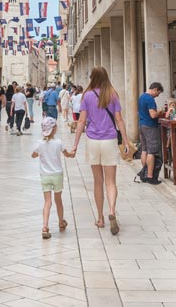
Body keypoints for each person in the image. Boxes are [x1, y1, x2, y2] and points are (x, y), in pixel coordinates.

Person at [70, 67, 132, 235]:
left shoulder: (87, 96)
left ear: (92, 78)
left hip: (92, 141)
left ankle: (100, 217)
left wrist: (75, 144)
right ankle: (112, 211)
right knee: (111, 182)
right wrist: (126, 142)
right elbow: (119, 119)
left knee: (98, 181)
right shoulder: (112, 94)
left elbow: (81, 122)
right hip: (109, 140)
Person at [32, 118, 74, 239]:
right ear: (54, 129)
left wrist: (38, 153)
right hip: (57, 175)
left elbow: (33, 155)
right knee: (58, 200)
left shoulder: (39, 144)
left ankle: (45, 226)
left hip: (45, 176)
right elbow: (67, 154)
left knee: (47, 202)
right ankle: (61, 221)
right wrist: (72, 153)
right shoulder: (58, 142)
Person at [138, 83, 164, 185]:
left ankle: (144, 174)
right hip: (150, 126)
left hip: (142, 124)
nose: (157, 95)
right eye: (158, 93)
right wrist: (160, 112)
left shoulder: (141, 97)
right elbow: (153, 115)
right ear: (155, 89)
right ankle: (150, 176)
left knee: (144, 150)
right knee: (152, 152)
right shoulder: (149, 99)